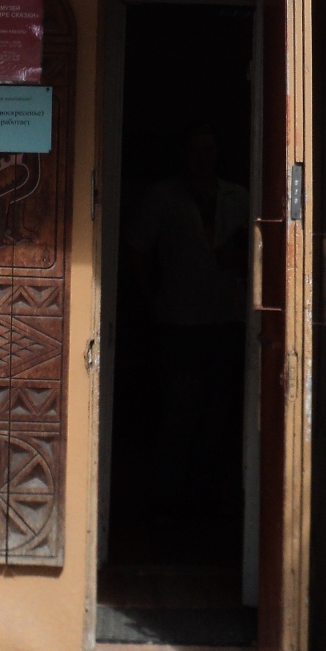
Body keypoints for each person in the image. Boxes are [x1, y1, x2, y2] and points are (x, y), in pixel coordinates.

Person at [128, 123, 250, 551]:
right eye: (195, 149)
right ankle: (166, 504)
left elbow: (256, 249)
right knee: (178, 414)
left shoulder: (237, 196)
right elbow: (137, 249)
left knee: (219, 415)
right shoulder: (163, 196)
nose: (203, 157)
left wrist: (238, 260)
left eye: (209, 148)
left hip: (226, 318)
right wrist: (151, 301)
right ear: (183, 152)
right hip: (179, 320)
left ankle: (207, 505)